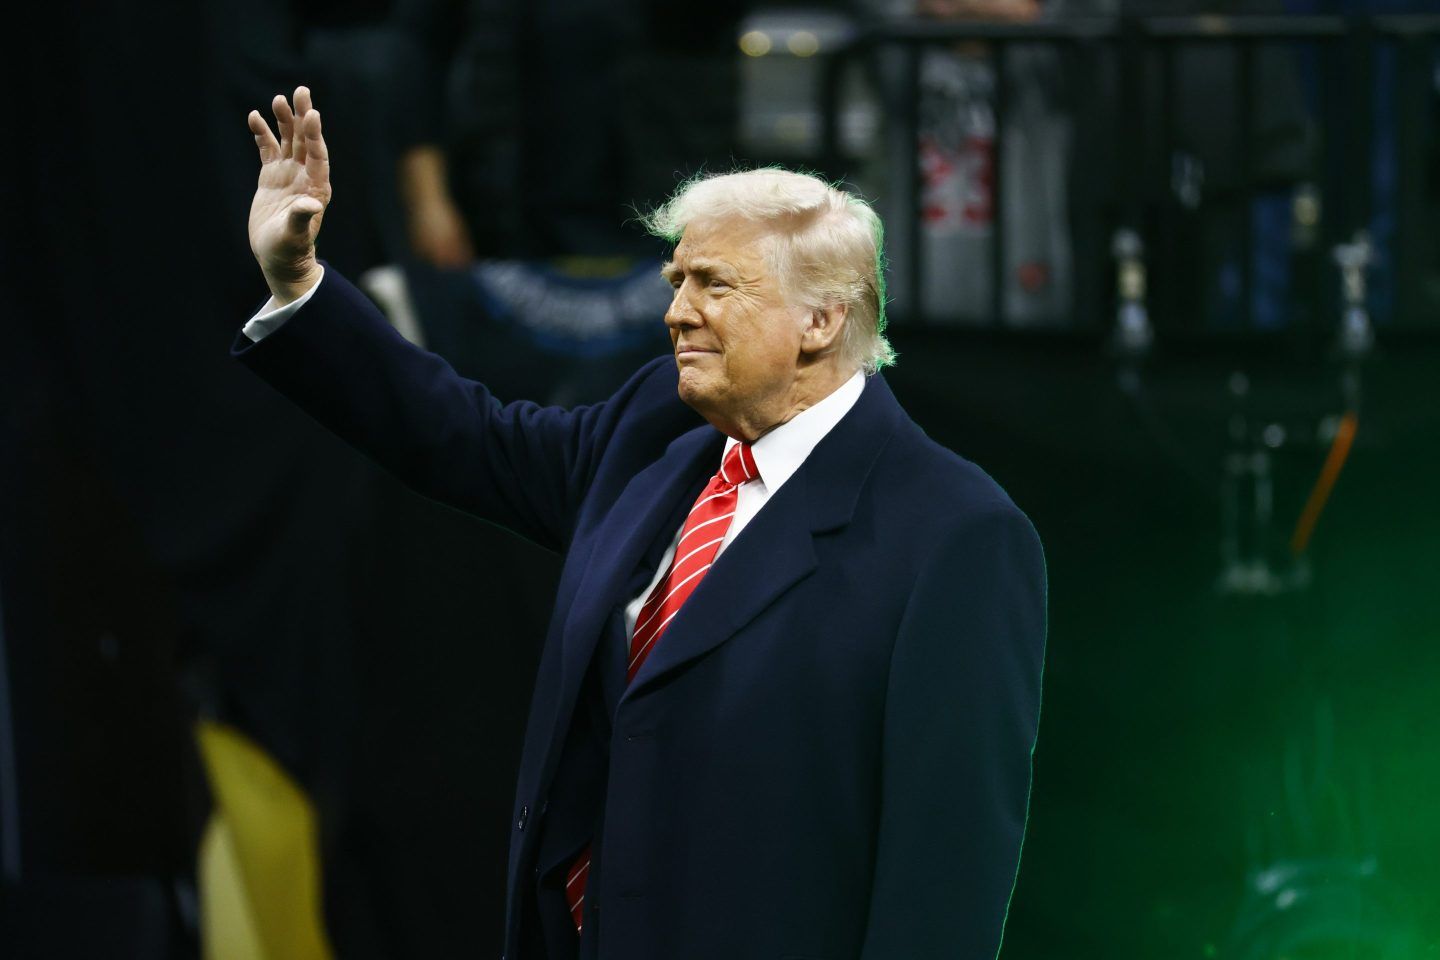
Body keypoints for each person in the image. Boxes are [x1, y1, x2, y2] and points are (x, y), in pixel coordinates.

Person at [237, 87, 1048, 960]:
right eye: (676, 281)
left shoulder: (954, 533)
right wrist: (300, 286)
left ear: (822, 319)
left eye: (713, 285)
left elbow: (946, 875)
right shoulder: (649, 434)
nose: (676, 311)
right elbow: (460, 435)